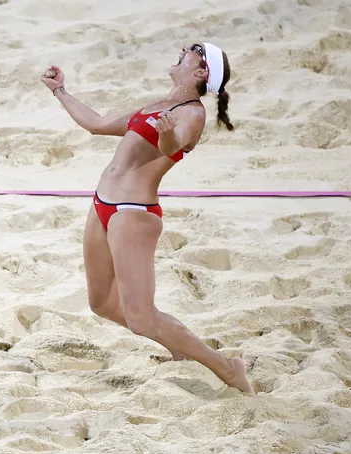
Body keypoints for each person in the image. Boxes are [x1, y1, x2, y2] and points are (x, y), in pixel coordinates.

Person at [41, 43, 252, 393]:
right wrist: (60, 90)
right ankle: (178, 346)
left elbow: (176, 146)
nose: (183, 50)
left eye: (193, 51)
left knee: (141, 318)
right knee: (102, 304)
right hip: (102, 204)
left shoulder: (192, 113)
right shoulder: (158, 105)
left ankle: (229, 369)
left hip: (133, 214)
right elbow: (95, 124)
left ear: (202, 72)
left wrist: (168, 132)